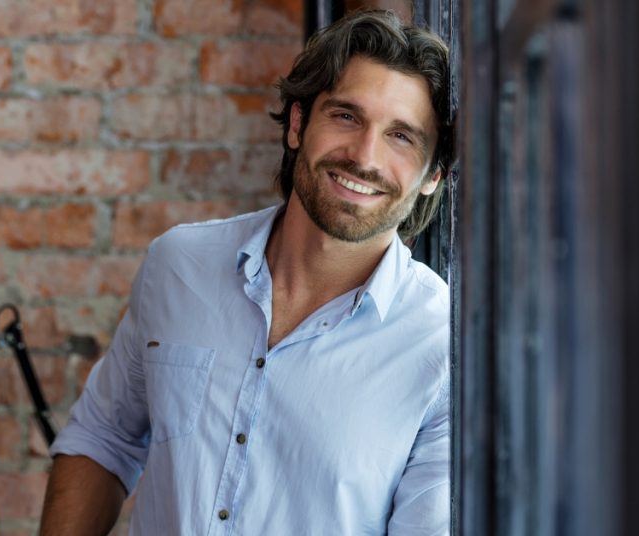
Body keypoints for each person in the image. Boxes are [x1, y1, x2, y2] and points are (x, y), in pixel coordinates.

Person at [40, 9, 454, 535]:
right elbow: (103, 438)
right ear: (299, 125)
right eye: (346, 116)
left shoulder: (443, 348)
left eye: (402, 136)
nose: (363, 156)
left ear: (431, 176)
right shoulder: (178, 265)